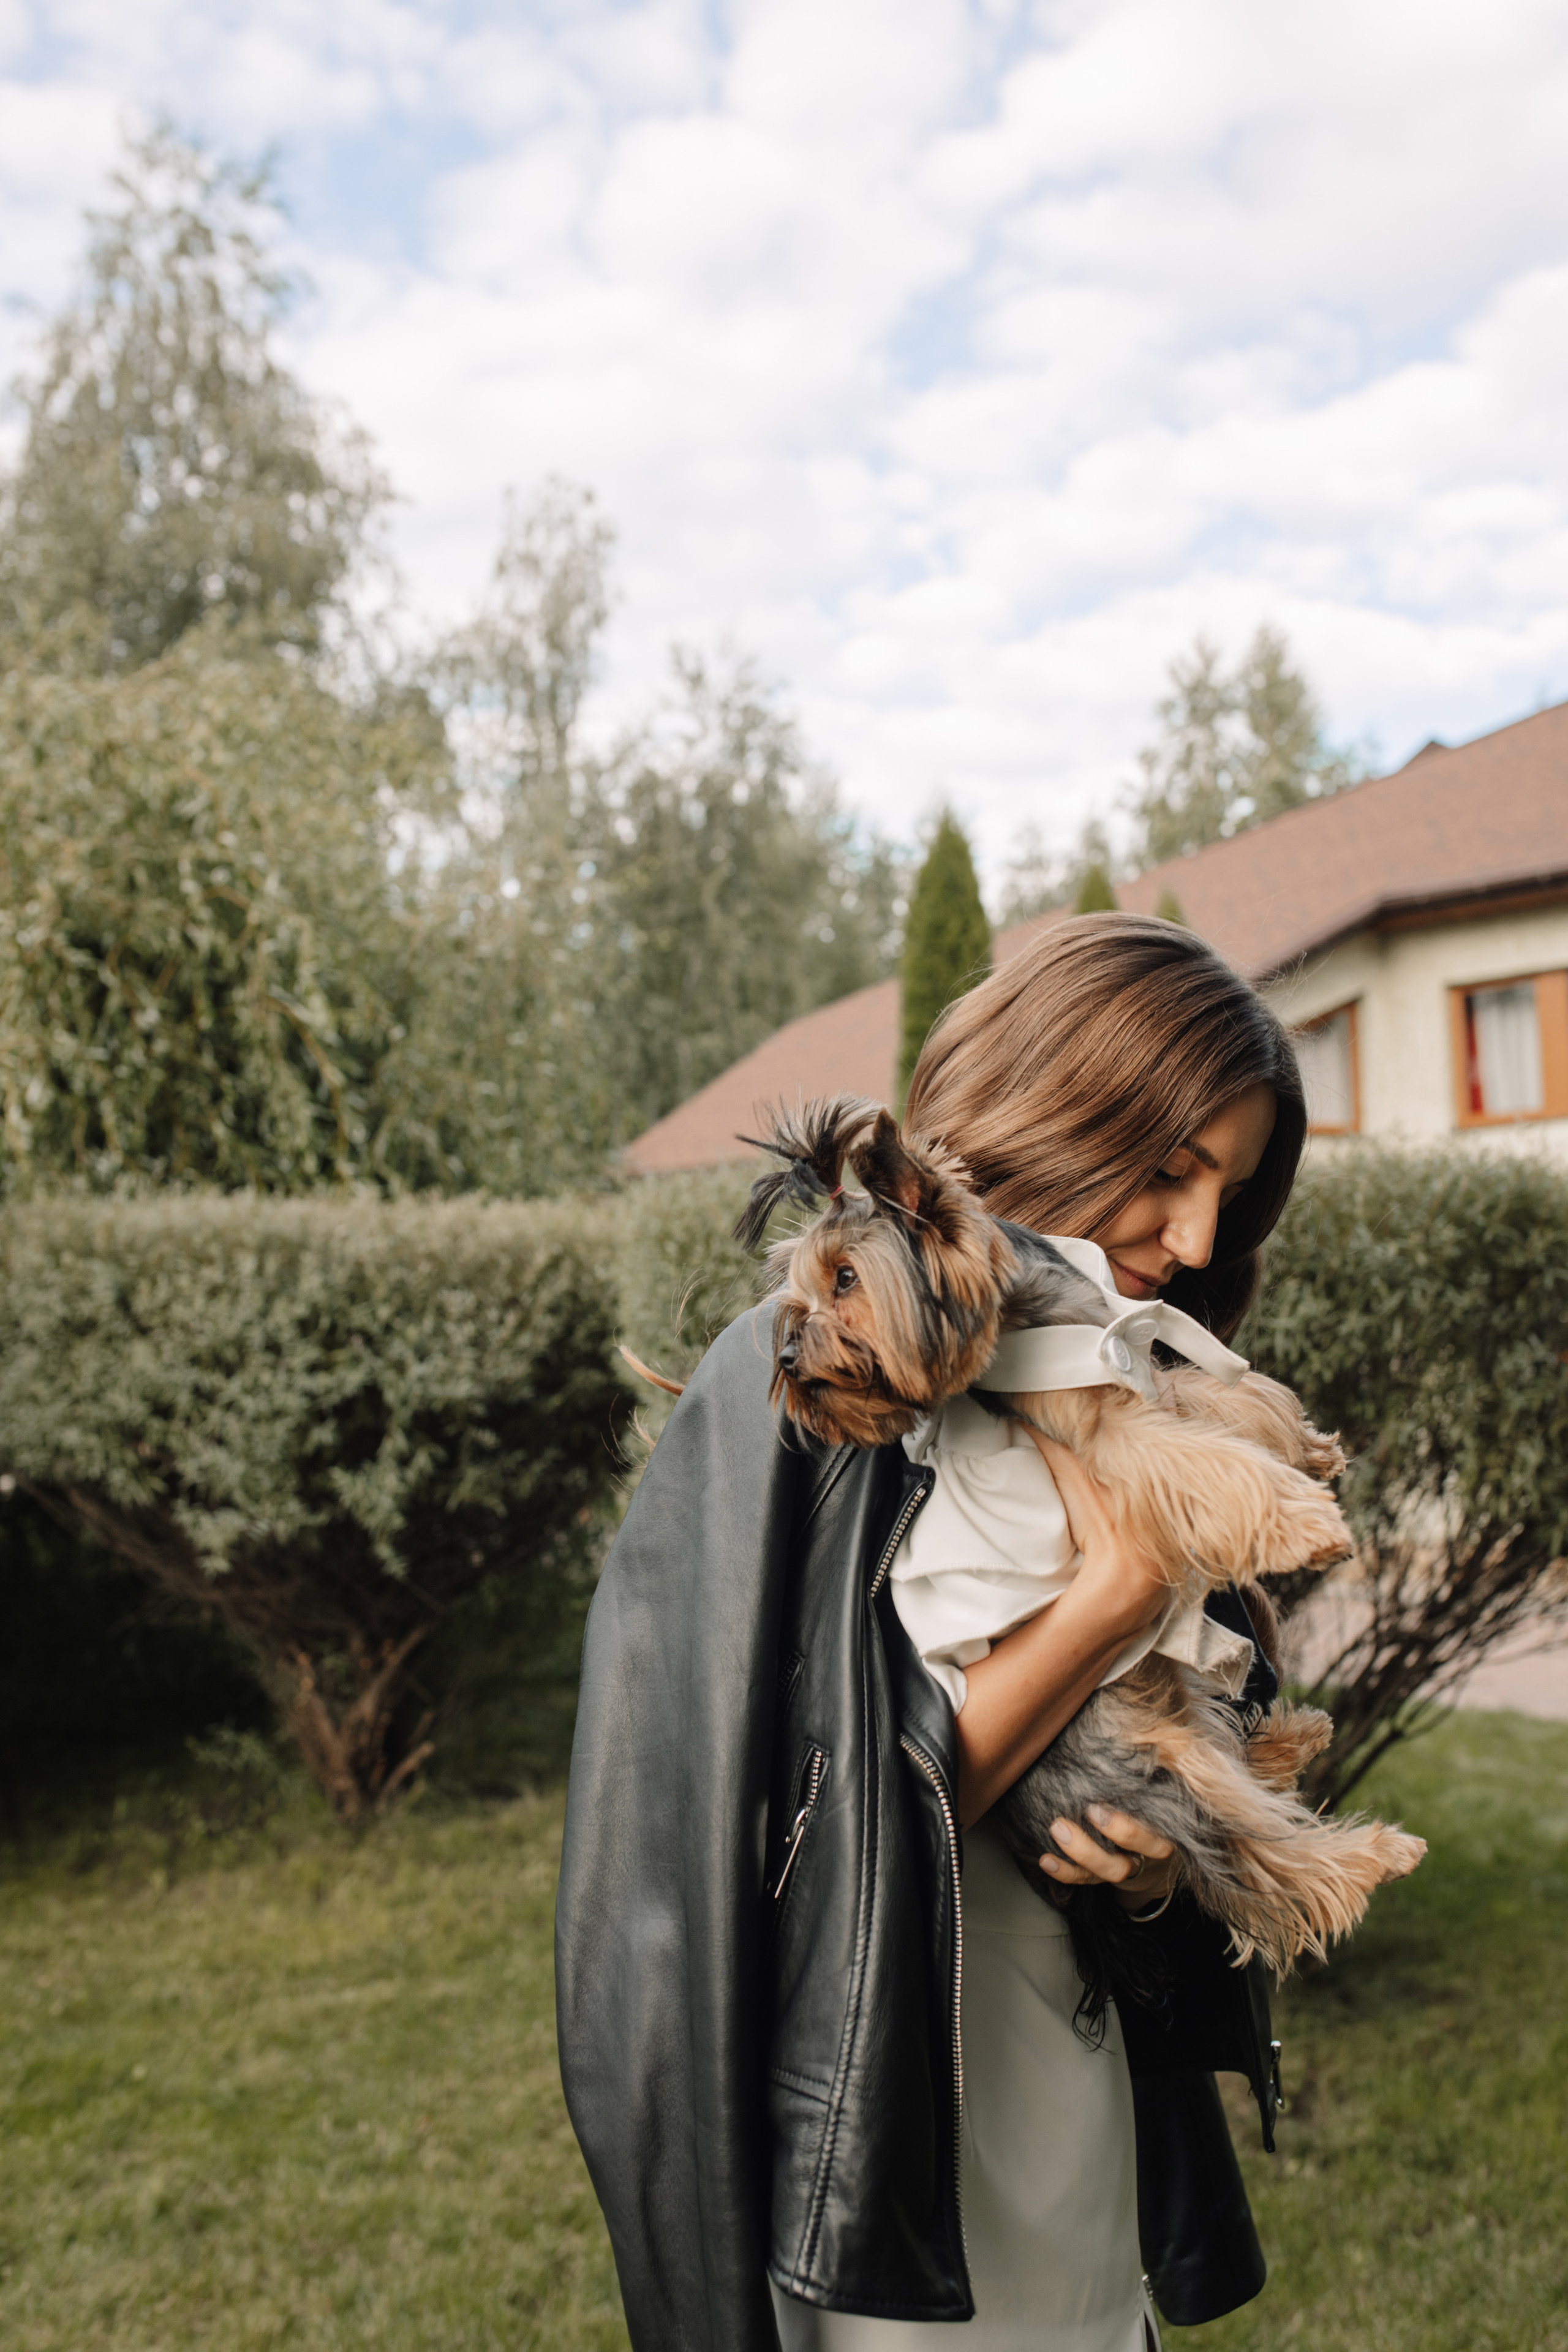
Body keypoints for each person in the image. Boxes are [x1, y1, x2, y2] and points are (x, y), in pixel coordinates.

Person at [557, 912, 1308, 2352]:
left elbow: (1170, 1771)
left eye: (1229, 1188)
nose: (1199, 1238)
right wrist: (1106, 1595)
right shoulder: (796, 1385)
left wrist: (1157, 1869)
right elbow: (758, 1867)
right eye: (1168, 1169)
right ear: (1052, 1110)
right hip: (870, 2156)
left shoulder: (1132, 1383)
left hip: (1073, 2106)